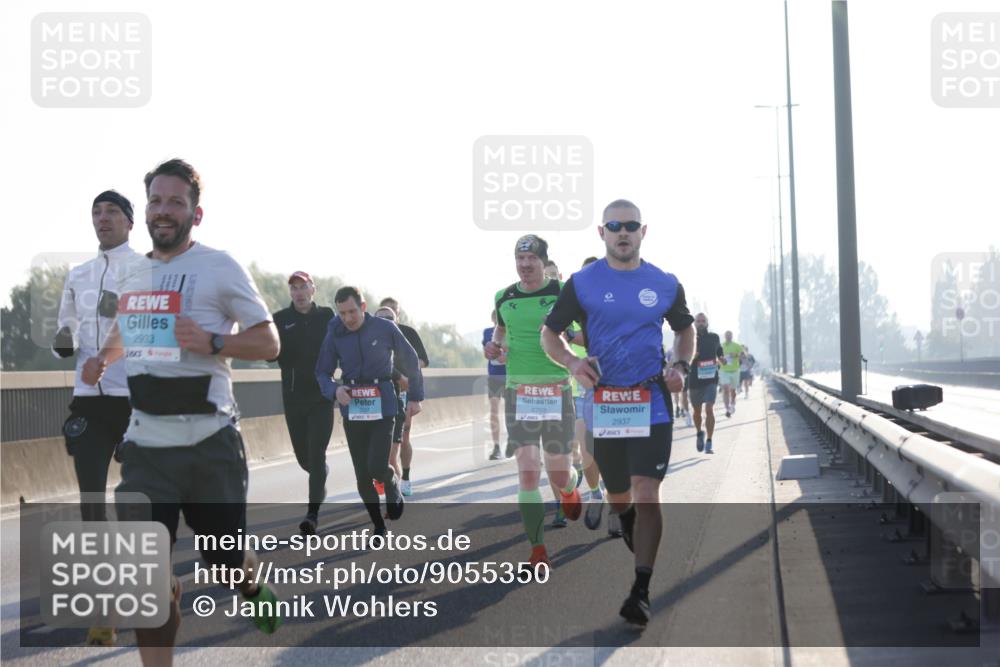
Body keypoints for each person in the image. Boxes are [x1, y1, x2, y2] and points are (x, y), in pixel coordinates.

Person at [86, 159, 283, 665]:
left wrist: (216, 340)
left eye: (176, 202)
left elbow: (269, 342)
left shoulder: (219, 266)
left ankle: (249, 580)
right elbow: (125, 328)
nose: (164, 210)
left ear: (196, 214)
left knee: (222, 562)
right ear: (145, 210)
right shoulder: (133, 273)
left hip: (209, 444)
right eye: (156, 200)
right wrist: (103, 358)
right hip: (147, 445)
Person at [542, 198, 695, 627]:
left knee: (648, 491)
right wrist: (573, 363)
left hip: (651, 402)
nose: (622, 232)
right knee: (620, 494)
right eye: (614, 225)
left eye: (630, 225)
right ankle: (623, 516)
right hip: (604, 404)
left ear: (643, 232)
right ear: (602, 233)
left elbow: (684, 330)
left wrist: (679, 365)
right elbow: (549, 335)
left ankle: (640, 591)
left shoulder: (664, 283)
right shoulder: (582, 282)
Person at [53, 189, 142, 647]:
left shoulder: (146, 269)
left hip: (135, 399)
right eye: (96, 212)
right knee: (91, 501)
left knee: (136, 500)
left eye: (112, 212)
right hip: (88, 399)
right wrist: (64, 339)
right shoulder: (78, 274)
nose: (103, 218)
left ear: (130, 222)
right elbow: (64, 327)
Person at [484, 235, 582, 568]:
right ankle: (537, 550)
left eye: (531, 260)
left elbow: (586, 332)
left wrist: (573, 341)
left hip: (556, 390)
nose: (525, 266)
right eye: (519, 259)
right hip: (519, 392)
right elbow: (499, 330)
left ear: (543, 262)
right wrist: (494, 347)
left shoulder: (562, 292)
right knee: (527, 473)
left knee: (557, 473)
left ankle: (568, 488)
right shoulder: (504, 297)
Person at [316, 287, 424, 536]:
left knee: (377, 465)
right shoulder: (335, 331)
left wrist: (415, 396)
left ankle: (391, 480)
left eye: (352, 311)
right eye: (342, 313)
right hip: (353, 406)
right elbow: (322, 371)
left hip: (383, 403)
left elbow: (410, 357)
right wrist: (334, 390)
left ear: (363, 307)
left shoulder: (385, 328)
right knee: (362, 474)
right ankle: (378, 525)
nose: (348, 318)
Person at [271, 271, 335, 535]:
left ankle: (312, 515)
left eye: (303, 287)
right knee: (305, 460)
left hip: (321, 397)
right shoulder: (280, 319)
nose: (299, 292)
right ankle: (320, 474)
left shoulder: (327, 316)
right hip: (294, 397)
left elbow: (343, 343)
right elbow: (269, 352)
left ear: (313, 289)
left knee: (316, 454)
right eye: (294, 288)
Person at [378, 297, 428, 497]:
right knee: (384, 442)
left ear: (397, 316)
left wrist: (414, 395)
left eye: (391, 314)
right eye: (381, 316)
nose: (386, 319)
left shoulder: (408, 333)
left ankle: (404, 477)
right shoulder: (370, 334)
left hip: (405, 392)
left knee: (403, 438)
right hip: (381, 393)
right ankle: (390, 481)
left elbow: (421, 361)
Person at [688, 313, 725, 453]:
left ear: (707, 323)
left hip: (711, 378)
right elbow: (682, 357)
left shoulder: (714, 337)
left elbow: (719, 350)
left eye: (703, 321)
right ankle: (699, 432)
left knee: (709, 408)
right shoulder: (689, 338)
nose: (701, 323)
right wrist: (692, 357)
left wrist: (721, 357)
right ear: (695, 323)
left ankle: (709, 441)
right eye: (698, 321)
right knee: (697, 412)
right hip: (694, 380)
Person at [482, 310, 508, 460]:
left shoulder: (511, 332)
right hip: (494, 376)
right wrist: (494, 352)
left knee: (512, 412)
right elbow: (487, 354)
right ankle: (496, 446)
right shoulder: (487, 333)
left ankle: (516, 442)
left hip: (511, 375)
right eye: (495, 319)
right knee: (493, 411)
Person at [720, 331, 744, 417]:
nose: (728, 337)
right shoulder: (721, 346)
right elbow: (717, 357)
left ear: (732, 336)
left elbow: (743, 356)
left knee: (733, 390)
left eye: (730, 335)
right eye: (727, 335)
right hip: (724, 370)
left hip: (735, 370)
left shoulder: (737, 346)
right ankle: (727, 408)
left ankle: (733, 403)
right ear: (725, 336)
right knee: (726, 388)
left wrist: (736, 355)